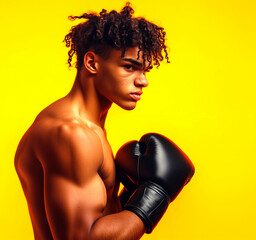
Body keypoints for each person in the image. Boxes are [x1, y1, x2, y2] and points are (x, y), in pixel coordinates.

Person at [14, 3, 194, 239]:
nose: (143, 81)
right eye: (130, 67)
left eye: (146, 71)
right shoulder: (71, 134)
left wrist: (131, 196)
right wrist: (156, 194)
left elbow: (96, 219)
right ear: (92, 63)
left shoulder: (90, 125)